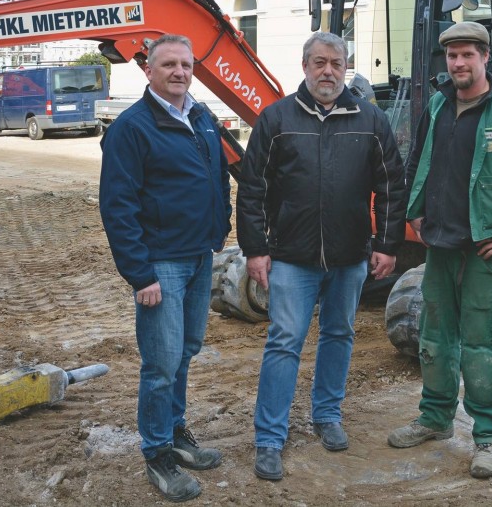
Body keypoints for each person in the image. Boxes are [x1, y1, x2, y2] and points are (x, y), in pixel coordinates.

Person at [387, 20, 492, 479]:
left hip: (485, 250)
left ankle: (488, 438)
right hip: (440, 244)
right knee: (435, 341)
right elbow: (419, 160)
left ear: (484, 58)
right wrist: (416, 212)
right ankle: (435, 418)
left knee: (483, 346)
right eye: (452, 55)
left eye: (467, 55)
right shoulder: (439, 105)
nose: (458, 63)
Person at [237, 31, 406, 481]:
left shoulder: (370, 119)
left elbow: (391, 185)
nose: (327, 71)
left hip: (350, 256)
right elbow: (252, 188)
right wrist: (255, 249)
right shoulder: (276, 119)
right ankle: (270, 438)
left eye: (335, 63)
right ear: (305, 65)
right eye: (319, 63)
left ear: (345, 67)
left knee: (339, 334)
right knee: (284, 342)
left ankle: (327, 415)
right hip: (292, 256)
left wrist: (387, 244)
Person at [99, 33, 231, 503]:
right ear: (149, 71)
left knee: (186, 351)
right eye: (169, 64)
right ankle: (157, 453)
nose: (179, 72)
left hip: (199, 256)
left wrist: (222, 226)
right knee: (160, 363)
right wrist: (141, 274)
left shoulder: (200, 116)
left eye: (186, 64)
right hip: (161, 266)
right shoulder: (132, 128)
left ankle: (175, 433)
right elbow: (117, 206)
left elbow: (218, 177)